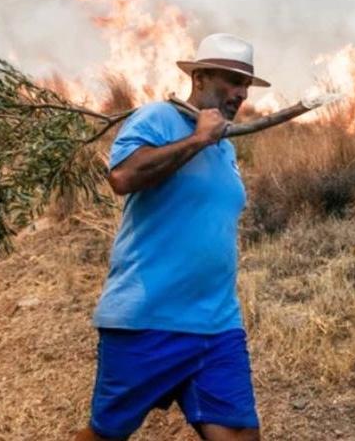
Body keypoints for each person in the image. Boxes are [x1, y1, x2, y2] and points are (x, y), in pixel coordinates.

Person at [75, 34, 271, 441]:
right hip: (148, 319)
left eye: (246, 85)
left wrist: (210, 138)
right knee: (106, 434)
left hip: (217, 323)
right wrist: (198, 138)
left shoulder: (225, 145)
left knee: (240, 436)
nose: (241, 94)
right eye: (233, 81)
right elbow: (123, 176)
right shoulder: (158, 118)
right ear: (199, 78)